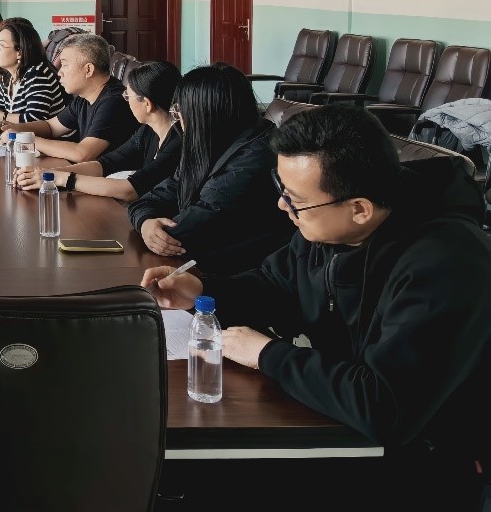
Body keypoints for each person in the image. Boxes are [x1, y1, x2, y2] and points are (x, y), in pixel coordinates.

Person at [142, 105, 491, 508]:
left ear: (359, 209)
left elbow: (385, 408)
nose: (282, 206)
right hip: (337, 419)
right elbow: (275, 286)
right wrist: (202, 290)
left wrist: (267, 354)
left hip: (423, 463)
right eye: (282, 189)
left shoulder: (447, 265)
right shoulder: (329, 227)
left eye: (295, 200)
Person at [127, 62, 289, 275]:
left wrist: (150, 227)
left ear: (202, 114)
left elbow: (179, 235)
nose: (178, 119)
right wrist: (145, 222)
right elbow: (153, 198)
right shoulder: (212, 142)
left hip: (239, 278)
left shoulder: (252, 162)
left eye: (179, 111)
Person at [16, 60, 182, 203]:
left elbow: (130, 190)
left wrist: (63, 179)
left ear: (147, 104)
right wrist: (49, 174)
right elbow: (105, 164)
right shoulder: (148, 131)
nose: (126, 101)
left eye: (128, 96)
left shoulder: (178, 141)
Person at [9, 33, 139, 163]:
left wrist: (24, 139)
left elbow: (82, 153)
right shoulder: (85, 97)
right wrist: (13, 128)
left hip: (115, 175)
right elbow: (51, 127)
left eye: (65, 65)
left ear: (88, 70)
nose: (59, 72)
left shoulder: (114, 101)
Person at [0, 18, 67, 125]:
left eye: (1, 45)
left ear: (20, 52)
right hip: (21, 136)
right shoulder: (8, 75)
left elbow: (34, 120)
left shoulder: (38, 75)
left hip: (45, 138)